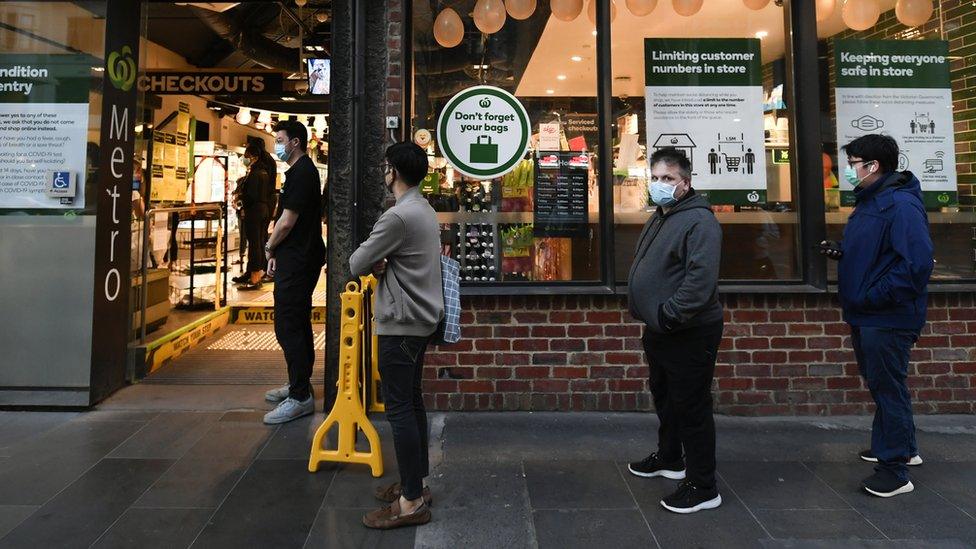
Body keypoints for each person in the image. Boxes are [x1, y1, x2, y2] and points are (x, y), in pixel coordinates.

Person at [820, 134, 933, 498]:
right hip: (868, 313)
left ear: (873, 166)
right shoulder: (872, 201)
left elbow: (915, 265)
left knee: (888, 388)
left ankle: (895, 469)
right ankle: (903, 447)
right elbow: (878, 253)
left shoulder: (899, 204)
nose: (847, 170)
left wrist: (872, 296)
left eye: (852, 163)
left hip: (886, 317)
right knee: (884, 385)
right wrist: (843, 252)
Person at [350, 142, 444, 529]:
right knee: (414, 404)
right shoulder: (424, 209)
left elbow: (356, 262)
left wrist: (379, 261)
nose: (382, 172)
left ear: (393, 171)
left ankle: (409, 503)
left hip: (401, 323)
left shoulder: (398, 216)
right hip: (420, 321)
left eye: (384, 166)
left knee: (400, 409)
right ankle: (416, 484)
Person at [626, 147, 724, 514]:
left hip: (688, 330)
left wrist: (668, 315)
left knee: (692, 406)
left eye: (668, 179)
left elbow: (699, 282)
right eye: (655, 178)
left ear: (686, 182)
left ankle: (703, 485)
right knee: (665, 397)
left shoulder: (700, 222)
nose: (660, 185)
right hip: (661, 328)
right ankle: (670, 458)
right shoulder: (663, 215)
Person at [262, 120, 326, 425]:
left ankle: (300, 396)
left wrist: (269, 247)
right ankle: (299, 384)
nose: (276, 144)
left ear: (295, 142)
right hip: (295, 256)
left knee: (288, 324)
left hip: (299, 258)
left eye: (279, 139)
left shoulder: (303, 173)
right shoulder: (298, 173)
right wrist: (277, 252)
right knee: (296, 321)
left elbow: (287, 221)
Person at [233, 142, 275, 289]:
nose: (245, 159)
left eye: (247, 156)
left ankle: (255, 277)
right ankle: (254, 273)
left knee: (254, 244)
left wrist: (242, 201)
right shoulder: (265, 171)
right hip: (263, 209)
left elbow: (250, 195)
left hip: (254, 211)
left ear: (254, 157)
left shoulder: (255, 173)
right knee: (257, 242)